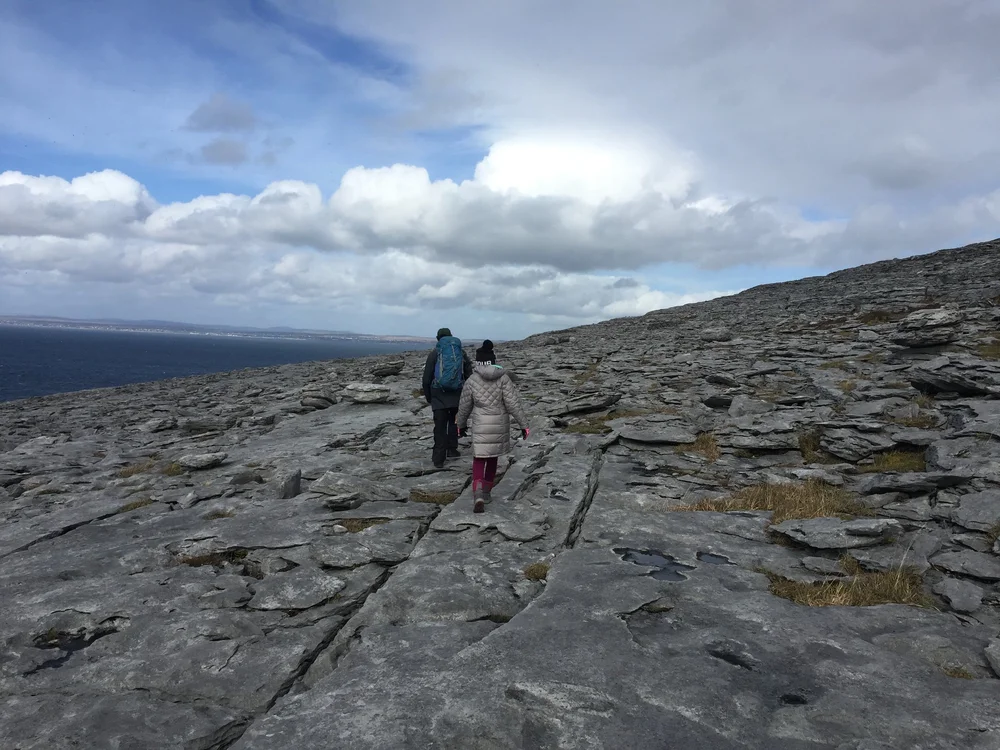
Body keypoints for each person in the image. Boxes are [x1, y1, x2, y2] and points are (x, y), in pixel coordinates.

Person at [456, 340, 530, 513]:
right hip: (499, 423)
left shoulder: (472, 380)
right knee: (492, 457)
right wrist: (524, 425)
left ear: (478, 361)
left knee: (479, 457)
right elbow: (513, 404)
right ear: (493, 360)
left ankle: (478, 494)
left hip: (481, 424)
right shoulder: (503, 378)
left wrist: (460, 425)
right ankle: (487, 493)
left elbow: (464, 406)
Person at [423, 327, 473, 468]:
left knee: (439, 427)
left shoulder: (435, 354)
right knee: (454, 422)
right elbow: (468, 374)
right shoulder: (460, 353)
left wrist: (429, 397)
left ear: (438, 338)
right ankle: (452, 449)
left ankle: (438, 459)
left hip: (438, 396)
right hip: (457, 394)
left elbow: (426, 378)